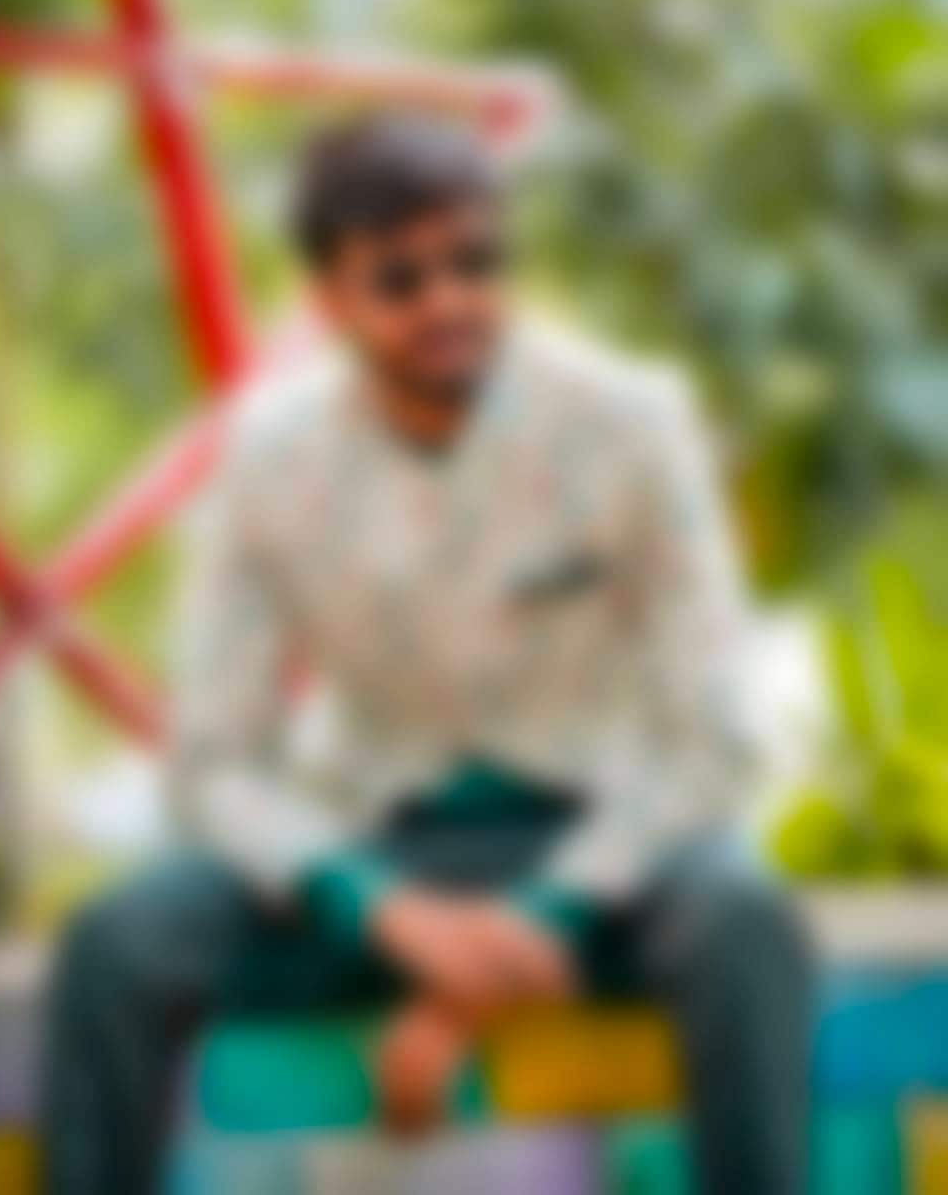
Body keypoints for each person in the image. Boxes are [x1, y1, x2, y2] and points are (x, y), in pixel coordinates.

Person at [41, 114, 815, 1194]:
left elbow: (715, 734)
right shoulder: (268, 456)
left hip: (608, 859)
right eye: (399, 278)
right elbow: (210, 764)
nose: (447, 299)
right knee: (117, 942)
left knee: (743, 920)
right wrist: (380, 909)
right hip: (370, 859)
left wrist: (532, 926)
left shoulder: (633, 421)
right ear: (330, 300)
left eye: (475, 262)